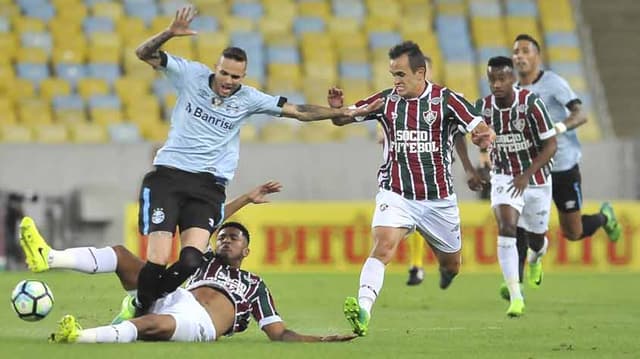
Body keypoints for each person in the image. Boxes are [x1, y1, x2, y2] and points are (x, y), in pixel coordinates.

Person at [129, 5, 383, 319]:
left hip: (207, 185)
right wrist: (169, 33)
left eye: (236, 77)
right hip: (169, 176)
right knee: (156, 260)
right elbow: (143, 53)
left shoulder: (248, 98)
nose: (228, 81)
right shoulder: (189, 74)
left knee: (192, 261)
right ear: (216, 68)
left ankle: (144, 307)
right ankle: (143, 309)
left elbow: (298, 111)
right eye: (224, 73)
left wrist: (339, 113)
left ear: (243, 77)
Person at [20, 187, 356, 343]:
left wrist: (321, 341)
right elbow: (210, 219)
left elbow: (278, 333)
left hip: (202, 324)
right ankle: (49, 257)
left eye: (234, 238)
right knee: (123, 255)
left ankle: (79, 337)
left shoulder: (256, 286)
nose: (226, 239)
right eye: (222, 237)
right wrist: (245, 199)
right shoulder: (204, 260)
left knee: (152, 323)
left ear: (247, 251)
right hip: (179, 296)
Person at [327, 41, 495, 336]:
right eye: (393, 74)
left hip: (438, 200)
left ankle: (446, 273)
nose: (396, 81)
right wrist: (338, 110)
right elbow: (344, 119)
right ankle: (363, 311)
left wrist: (483, 138)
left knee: (453, 264)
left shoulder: (447, 100)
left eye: (401, 75)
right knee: (383, 247)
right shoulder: (386, 100)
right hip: (397, 193)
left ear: (421, 73)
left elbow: (480, 128)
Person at [509, 34, 621, 293]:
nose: (520, 56)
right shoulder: (512, 91)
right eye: (516, 52)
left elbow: (580, 114)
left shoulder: (553, 83)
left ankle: (605, 217)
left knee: (573, 232)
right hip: (532, 170)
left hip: (561, 166)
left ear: (537, 56)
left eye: (526, 51)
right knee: (519, 226)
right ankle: (516, 287)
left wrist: (557, 127)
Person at [477, 56, 557, 316]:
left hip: (536, 180)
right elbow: (459, 132)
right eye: (492, 79)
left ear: (512, 79)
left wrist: (527, 175)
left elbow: (551, 145)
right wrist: (472, 166)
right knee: (507, 226)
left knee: (535, 239)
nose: (496, 84)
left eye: (501, 79)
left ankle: (536, 257)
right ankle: (516, 295)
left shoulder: (531, 104)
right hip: (503, 176)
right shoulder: (484, 108)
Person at [405, 56, 486, 286]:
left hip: (441, 173)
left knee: (437, 229)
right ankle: (416, 266)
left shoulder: (447, 100)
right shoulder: (402, 101)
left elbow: (465, 130)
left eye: (425, 71)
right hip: (409, 171)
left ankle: (445, 267)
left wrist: (471, 167)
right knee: (412, 219)